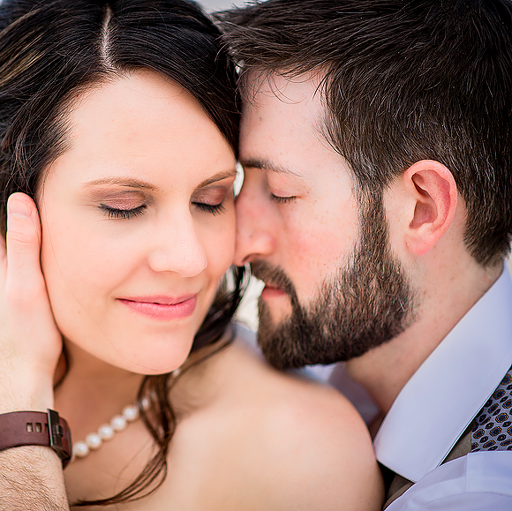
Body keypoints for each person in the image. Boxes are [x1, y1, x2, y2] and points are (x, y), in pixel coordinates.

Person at [0, 1, 382, 510]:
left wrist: (20, 422)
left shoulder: (300, 451)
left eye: (213, 199)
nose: (190, 258)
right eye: (122, 206)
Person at [218, 0, 512, 509]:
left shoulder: (483, 492)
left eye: (282, 192)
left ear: (422, 208)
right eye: (243, 182)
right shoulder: (335, 369)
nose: (239, 242)